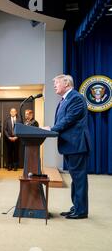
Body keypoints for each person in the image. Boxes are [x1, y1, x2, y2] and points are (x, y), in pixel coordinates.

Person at [43, 74, 91, 219]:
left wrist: (51, 129)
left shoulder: (76, 98)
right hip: (70, 144)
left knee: (79, 178)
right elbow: (64, 120)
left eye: (57, 83)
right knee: (75, 178)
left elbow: (68, 119)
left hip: (77, 144)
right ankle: (76, 207)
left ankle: (81, 211)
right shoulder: (64, 100)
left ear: (67, 84)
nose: (54, 86)